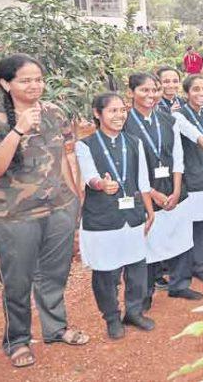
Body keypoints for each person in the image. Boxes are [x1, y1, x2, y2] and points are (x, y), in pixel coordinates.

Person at [0, 54, 89, 367]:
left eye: (38, 78)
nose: (35, 85)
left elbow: (63, 158)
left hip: (58, 209)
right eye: (25, 80)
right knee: (18, 280)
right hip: (15, 216)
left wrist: (74, 199)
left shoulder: (54, 112)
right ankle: (18, 340)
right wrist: (18, 129)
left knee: (54, 274)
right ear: (6, 84)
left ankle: (55, 327)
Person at [76, 92, 156, 339]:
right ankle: (111, 317)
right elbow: (90, 176)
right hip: (102, 218)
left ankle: (133, 312)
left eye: (122, 110)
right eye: (112, 110)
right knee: (106, 272)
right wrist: (102, 184)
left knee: (136, 267)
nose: (120, 115)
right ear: (98, 114)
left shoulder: (134, 142)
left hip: (131, 214)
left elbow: (143, 180)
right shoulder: (84, 145)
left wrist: (150, 211)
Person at [123, 73, 202, 310]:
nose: (151, 95)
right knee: (145, 244)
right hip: (144, 193)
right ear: (132, 93)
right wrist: (153, 194)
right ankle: (143, 295)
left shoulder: (168, 120)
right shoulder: (124, 123)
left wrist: (177, 190)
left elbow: (178, 156)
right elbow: (126, 166)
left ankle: (179, 284)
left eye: (155, 90)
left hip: (174, 188)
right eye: (144, 90)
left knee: (179, 236)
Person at [173, 75, 203, 282]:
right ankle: (198, 265)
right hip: (194, 176)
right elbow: (194, 135)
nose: (201, 93)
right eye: (195, 89)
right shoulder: (178, 115)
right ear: (187, 93)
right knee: (198, 225)